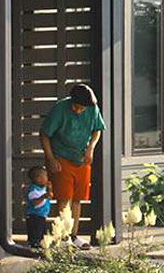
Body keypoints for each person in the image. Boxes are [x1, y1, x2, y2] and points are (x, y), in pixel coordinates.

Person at [39, 84, 105, 250]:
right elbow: (44, 134)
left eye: (82, 108)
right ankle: (63, 236)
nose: (79, 111)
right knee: (64, 198)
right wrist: (50, 158)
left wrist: (91, 148)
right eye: (76, 107)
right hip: (61, 156)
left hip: (81, 158)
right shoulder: (60, 109)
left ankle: (74, 236)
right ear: (71, 101)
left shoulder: (92, 108)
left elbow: (97, 130)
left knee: (77, 198)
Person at [26, 166, 52, 248]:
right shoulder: (34, 190)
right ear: (38, 179)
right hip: (34, 216)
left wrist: (49, 189)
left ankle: (39, 245)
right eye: (46, 176)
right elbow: (35, 203)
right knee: (35, 233)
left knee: (41, 233)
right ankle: (34, 245)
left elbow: (50, 196)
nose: (47, 178)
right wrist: (44, 196)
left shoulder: (42, 188)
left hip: (41, 215)